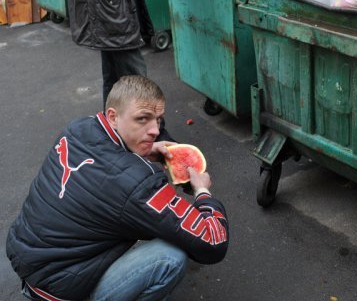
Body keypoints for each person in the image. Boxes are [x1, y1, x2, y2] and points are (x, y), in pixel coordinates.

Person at [6, 75, 229, 301]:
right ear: (113, 116)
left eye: (159, 120)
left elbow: (107, 170)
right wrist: (202, 192)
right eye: (143, 119)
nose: (154, 130)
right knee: (171, 256)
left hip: (29, 262)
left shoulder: (78, 129)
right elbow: (212, 243)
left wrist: (137, 152)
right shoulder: (138, 182)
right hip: (61, 290)